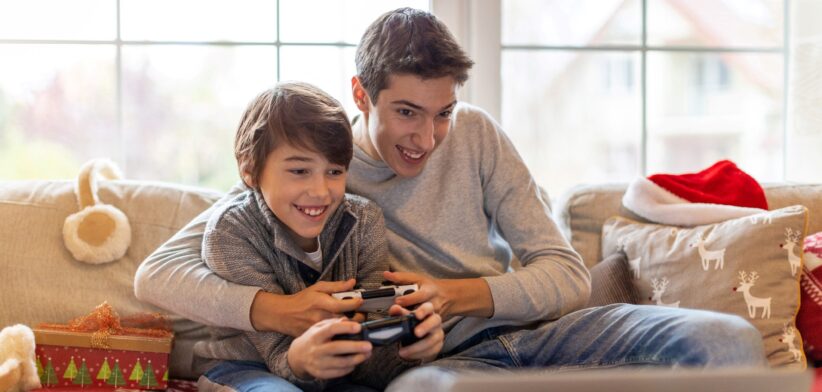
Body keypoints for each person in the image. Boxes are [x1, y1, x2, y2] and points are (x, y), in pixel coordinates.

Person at [136, 7, 767, 391]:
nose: (427, 138)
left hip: (542, 336)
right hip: (446, 370)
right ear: (361, 94)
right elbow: (160, 273)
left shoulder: (476, 136)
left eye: (442, 113)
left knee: (724, 341)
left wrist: (455, 294)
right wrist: (282, 310)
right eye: (407, 112)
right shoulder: (317, 173)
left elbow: (566, 274)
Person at [191, 81, 443, 391]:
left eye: (334, 172)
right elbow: (277, 352)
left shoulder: (364, 221)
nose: (321, 191)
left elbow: (370, 350)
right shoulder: (231, 232)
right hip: (243, 368)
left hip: (338, 370)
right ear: (250, 169)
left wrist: (409, 348)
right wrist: (300, 359)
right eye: (300, 171)